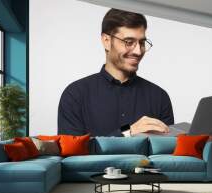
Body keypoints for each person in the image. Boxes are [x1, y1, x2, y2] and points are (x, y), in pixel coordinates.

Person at [58, 8, 174, 137]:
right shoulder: (75, 95)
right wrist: (128, 132)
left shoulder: (159, 97)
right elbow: (72, 153)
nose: (138, 51)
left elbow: (166, 153)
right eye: (129, 42)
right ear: (107, 41)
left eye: (141, 43)